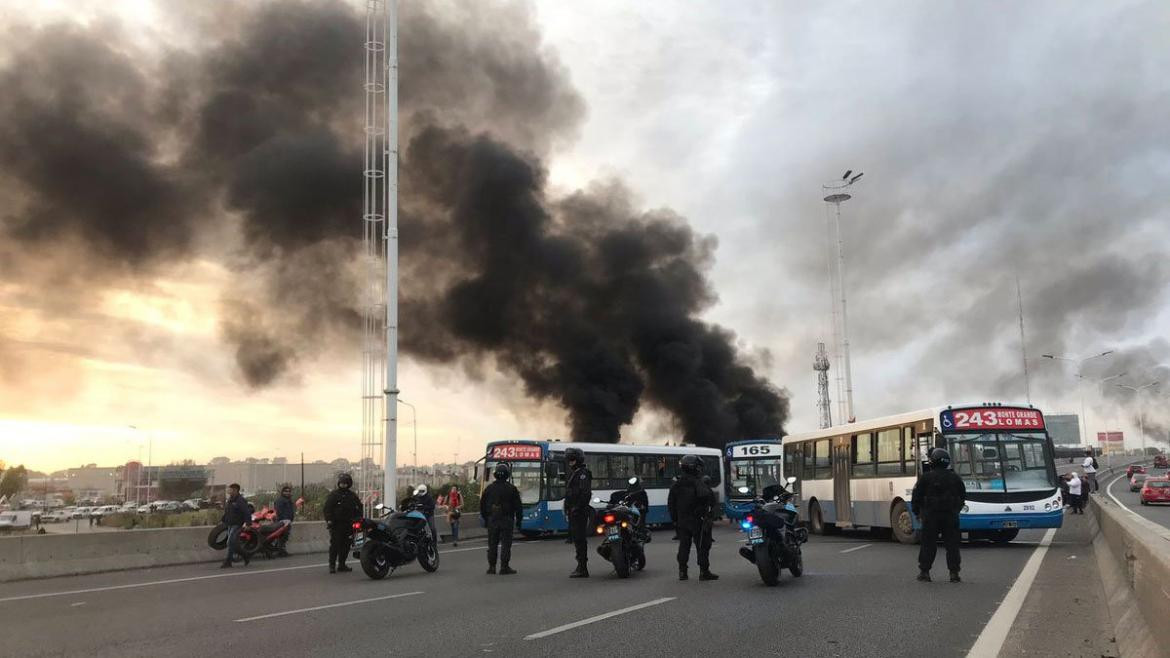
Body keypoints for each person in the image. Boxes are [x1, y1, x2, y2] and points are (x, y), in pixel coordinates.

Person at [911, 448, 966, 583]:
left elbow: (916, 497)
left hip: (930, 516)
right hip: (950, 516)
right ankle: (954, 573)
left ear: (932, 462)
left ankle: (925, 572)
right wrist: (956, 510)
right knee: (952, 545)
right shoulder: (955, 478)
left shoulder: (926, 478)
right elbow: (962, 496)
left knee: (928, 544)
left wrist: (917, 512)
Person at [668, 455, 718, 581]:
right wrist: (707, 514)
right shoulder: (698, 483)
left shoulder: (676, 484)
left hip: (682, 521)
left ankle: (682, 572)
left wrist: (675, 520)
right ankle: (704, 571)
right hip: (697, 520)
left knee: (684, 545)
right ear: (695, 468)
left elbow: (671, 504)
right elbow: (708, 498)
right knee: (702, 545)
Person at [480, 463, 522, 575]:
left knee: (492, 544)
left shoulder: (489, 489)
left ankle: (492, 567)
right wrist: (519, 520)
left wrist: (486, 519)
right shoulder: (512, 489)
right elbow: (518, 506)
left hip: (492, 519)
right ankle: (504, 567)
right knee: (506, 544)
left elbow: (482, 506)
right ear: (507, 475)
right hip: (507, 519)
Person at [323, 473, 363, 574]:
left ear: (349, 484)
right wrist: (329, 520)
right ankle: (332, 565)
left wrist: (359, 519)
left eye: (345, 483)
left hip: (349, 525)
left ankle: (342, 564)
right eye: (341, 483)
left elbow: (359, 508)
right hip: (337, 524)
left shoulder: (352, 496)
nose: (343, 485)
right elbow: (327, 508)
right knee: (335, 545)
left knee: (346, 545)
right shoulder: (334, 495)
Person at [564, 447, 592, 578]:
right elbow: (570, 493)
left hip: (579, 512)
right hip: (574, 511)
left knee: (580, 540)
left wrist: (577, 507)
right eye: (569, 459)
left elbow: (585, 494)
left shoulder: (583, 474)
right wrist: (567, 506)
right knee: (577, 539)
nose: (570, 462)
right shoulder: (574, 473)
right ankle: (580, 566)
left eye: (573, 459)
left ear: (578, 460)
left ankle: (582, 567)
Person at [221, 483, 251, 568]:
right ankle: (246, 556)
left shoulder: (240, 500)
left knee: (230, 542)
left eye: (230, 489)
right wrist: (223, 520)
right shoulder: (230, 500)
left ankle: (228, 561)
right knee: (231, 543)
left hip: (237, 524)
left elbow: (246, 512)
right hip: (230, 524)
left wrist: (248, 524)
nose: (229, 491)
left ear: (235, 490)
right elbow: (227, 512)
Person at [274, 485, 295, 557]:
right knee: (282, 537)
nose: (287, 493)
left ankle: (282, 551)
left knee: (285, 537)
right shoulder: (280, 500)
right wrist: (284, 520)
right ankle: (280, 551)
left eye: (289, 491)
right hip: (283, 522)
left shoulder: (289, 500)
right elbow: (279, 511)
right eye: (286, 491)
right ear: (282, 492)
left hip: (288, 521)